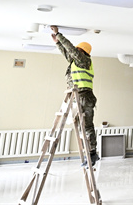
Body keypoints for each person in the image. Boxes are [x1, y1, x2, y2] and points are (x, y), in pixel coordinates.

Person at [50, 25, 99, 167]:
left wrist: (58, 34)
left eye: (78, 50)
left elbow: (71, 50)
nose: (76, 51)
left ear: (82, 51)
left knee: (87, 126)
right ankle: (89, 152)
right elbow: (68, 54)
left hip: (84, 96)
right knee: (81, 126)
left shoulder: (84, 60)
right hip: (78, 95)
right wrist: (58, 43)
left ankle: (92, 153)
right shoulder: (77, 62)